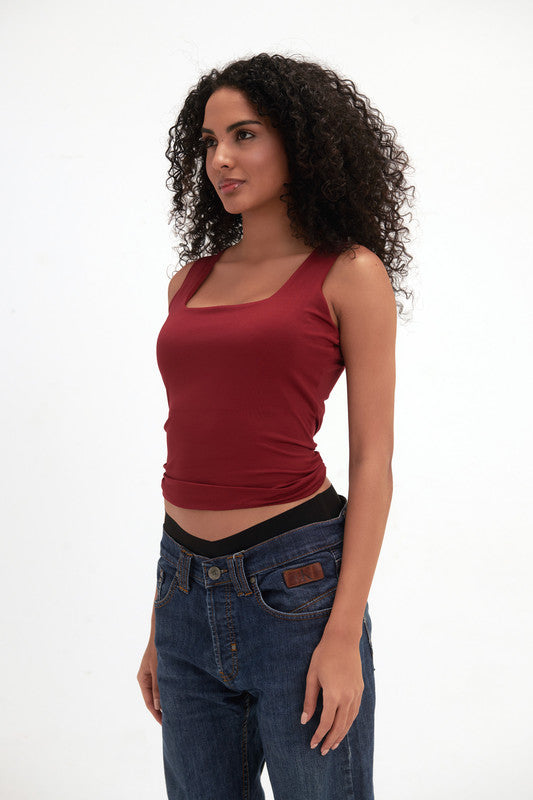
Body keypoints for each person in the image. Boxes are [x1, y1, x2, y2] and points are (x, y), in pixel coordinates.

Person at [137, 52, 415, 800]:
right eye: (208, 141)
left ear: (302, 140)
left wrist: (342, 634)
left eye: (245, 134)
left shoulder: (349, 274)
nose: (220, 159)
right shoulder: (189, 281)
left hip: (296, 587)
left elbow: (372, 461)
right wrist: (162, 622)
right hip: (181, 582)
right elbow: (190, 443)